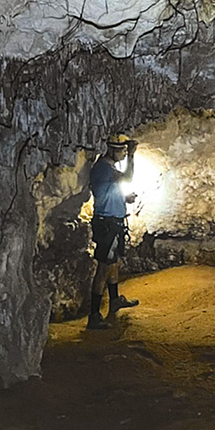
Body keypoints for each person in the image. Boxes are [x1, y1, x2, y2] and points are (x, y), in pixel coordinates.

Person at [87, 133, 140, 329]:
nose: (125, 155)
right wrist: (133, 156)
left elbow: (109, 191)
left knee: (114, 263)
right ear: (111, 149)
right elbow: (127, 177)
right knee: (104, 267)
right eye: (123, 151)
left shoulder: (109, 169)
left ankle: (115, 300)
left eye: (127, 152)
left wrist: (125, 199)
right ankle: (93, 316)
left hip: (114, 223)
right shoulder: (102, 168)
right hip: (106, 224)